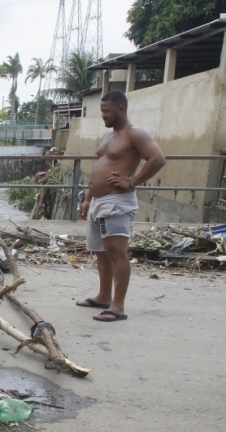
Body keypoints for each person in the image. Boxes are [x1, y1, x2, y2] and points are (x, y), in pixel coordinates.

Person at [75, 90, 165, 322]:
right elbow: (100, 167)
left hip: (116, 201)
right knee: (101, 252)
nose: (103, 116)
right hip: (98, 202)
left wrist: (132, 182)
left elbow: (157, 158)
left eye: (107, 111)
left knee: (117, 252)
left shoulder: (134, 133)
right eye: (102, 111)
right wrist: (87, 198)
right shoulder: (109, 136)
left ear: (121, 109)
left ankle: (118, 306)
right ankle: (104, 296)